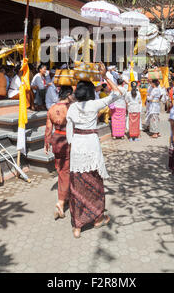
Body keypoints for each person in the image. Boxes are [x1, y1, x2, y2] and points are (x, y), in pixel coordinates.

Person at [66, 63, 122, 239]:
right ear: (90, 92)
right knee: (95, 186)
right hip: (91, 146)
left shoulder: (72, 107)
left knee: (77, 187)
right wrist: (105, 76)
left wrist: (74, 146)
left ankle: (77, 226)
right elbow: (118, 94)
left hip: (77, 147)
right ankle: (97, 218)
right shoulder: (95, 104)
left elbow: (69, 135)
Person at [45, 86, 73, 219]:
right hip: (67, 140)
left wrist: (46, 144)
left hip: (56, 139)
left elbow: (48, 129)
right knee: (65, 172)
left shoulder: (51, 109)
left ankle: (65, 197)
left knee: (61, 169)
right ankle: (61, 202)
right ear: (68, 95)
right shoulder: (70, 108)